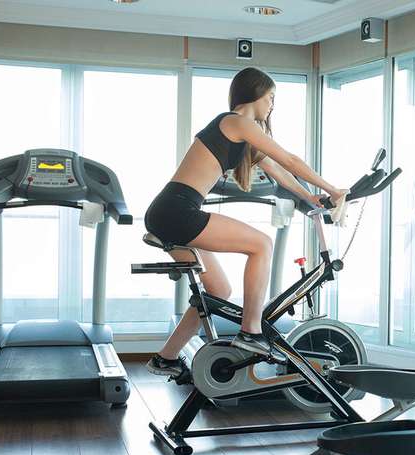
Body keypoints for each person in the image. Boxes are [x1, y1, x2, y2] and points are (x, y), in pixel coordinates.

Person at [144, 67, 346, 378]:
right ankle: (251, 332)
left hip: (169, 212)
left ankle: (166, 357)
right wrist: (333, 189)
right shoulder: (236, 122)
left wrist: (311, 197)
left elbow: (280, 172)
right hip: (177, 210)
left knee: (219, 290)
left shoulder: (241, 133)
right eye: (271, 97)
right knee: (261, 244)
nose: (272, 105)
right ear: (257, 94)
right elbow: (290, 159)